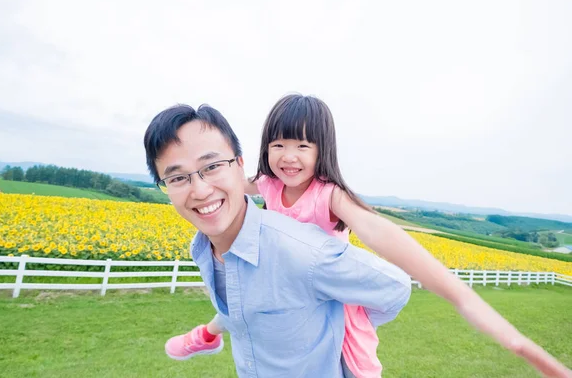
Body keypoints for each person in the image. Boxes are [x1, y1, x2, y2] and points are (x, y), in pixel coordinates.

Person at [157, 94, 572, 378]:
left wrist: (463, 298)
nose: (288, 157)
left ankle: (210, 334)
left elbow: (377, 231)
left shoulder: (329, 196)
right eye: (278, 144)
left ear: (323, 150)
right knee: (244, 296)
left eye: (302, 145)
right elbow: (224, 182)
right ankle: (207, 335)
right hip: (282, 276)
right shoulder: (265, 182)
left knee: (357, 361)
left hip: (335, 288)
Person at [144, 103, 412, 377]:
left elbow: (395, 287)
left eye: (212, 166)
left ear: (238, 163)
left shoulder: (322, 213)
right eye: (177, 178)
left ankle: (206, 335)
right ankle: (206, 336)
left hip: (329, 280)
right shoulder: (204, 246)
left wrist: (345, 317)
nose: (200, 191)